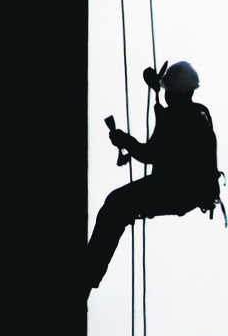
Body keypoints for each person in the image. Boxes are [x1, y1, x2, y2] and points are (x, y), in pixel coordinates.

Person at [86, 60, 221, 296]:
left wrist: (124, 140)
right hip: (188, 191)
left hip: (174, 189)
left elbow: (150, 154)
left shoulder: (179, 119)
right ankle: (88, 272)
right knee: (119, 205)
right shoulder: (199, 114)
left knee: (116, 206)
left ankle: (88, 274)